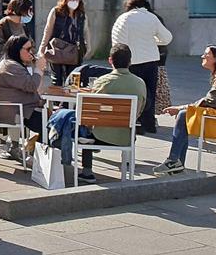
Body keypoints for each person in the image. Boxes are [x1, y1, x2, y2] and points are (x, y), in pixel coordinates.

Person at [49, 44, 146, 184]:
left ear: (110, 60)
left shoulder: (102, 82)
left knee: (83, 122)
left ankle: (87, 172)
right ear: (130, 61)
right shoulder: (140, 83)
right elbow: (140, 110)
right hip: (126, 136)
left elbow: (90, 114)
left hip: (98, 136)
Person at [154, 45, 216, 176]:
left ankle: (174, 160)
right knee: (184, 116)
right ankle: (176, 162)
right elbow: (207, 102)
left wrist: (180, 108)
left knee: (184, 115)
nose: (202, 56)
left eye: (206, 54)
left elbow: (208, 103)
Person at [110, 0, 173, 134]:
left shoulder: (123, 18)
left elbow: (118, 43)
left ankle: (133, 122)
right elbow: (167, 38)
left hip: (131, 62)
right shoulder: (152, 17)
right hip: (151, 61)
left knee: (132, 93)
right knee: (149, 93)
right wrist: (154, 42)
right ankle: (149, 124)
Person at [0, 34, 48, 162]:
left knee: (53, 122)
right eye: (27, 49)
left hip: (22, 109)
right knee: (51, 127)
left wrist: (39, 70)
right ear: (16, 49)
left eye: (31, 49)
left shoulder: (13, 65)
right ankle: (39, 157)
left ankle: (35, 153)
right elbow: (32, 86)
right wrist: (38, 69)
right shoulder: (10, 66)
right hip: (16, 111)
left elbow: (35, 88)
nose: (31, 52)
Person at [40, 0, 90, 86]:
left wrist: (88, 46)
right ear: (65, 0)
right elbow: (48, 30)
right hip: (57, 48)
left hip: (74, 50)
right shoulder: (56, 11)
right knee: (57, 79)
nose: (74, 2)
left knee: (73, 80)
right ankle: (56, 100)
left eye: (76, 0)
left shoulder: (81, 15)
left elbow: (86, 31)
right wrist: (42, 49)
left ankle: (69, 101)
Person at [0, 0, 33, 66]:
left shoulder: (23, 26)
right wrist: (19, 55)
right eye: (29, 10)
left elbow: (31, 45)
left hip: (23, 69)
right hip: (6, 69)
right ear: (21, 10)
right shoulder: (0, 26)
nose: (31, 13)